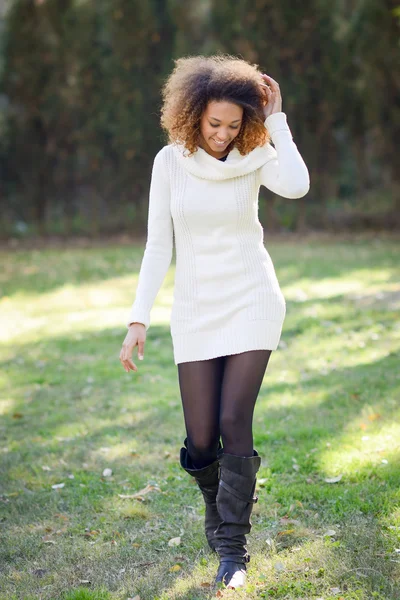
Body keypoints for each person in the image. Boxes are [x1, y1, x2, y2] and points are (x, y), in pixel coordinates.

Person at [119, 54, 310, 590]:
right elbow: (159, 245)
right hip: (197, 308)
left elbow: (296, 186)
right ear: (192, 114)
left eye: (233, 124)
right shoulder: (169, 163)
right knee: (201, 440)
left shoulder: (256, 151)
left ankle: (233, 550)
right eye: (213, 124)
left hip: (253, 299)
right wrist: (139, 319)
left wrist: (276, 121)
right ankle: (216, 496)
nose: (224, 135)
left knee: (233, 421)